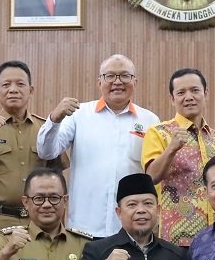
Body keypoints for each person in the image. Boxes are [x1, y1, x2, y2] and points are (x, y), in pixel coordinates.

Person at [37, 54, 159, 237]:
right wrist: (55, 118)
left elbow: (156, 173)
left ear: (135, 82)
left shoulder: (150, 120)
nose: (117, 82)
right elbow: (46, 152)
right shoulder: (78, 115)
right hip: (84, 228)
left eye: (125, 76)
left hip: (131, 230)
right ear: (99, 82)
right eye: (110, 76)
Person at [0, 60, 66, 241]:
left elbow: (58, 179)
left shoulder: (45, 128)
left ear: (31, 91)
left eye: (20, 84)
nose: (13, 89)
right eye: (6, 85)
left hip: (38, 222)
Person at [141, 68, 215, 247]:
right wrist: (171, 149)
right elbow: (151, 177)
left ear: (206, 94)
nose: (189, 97)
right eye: (181, 92)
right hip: (176, 238)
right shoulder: (159, 133)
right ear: (172, 99)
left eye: (195, 90)